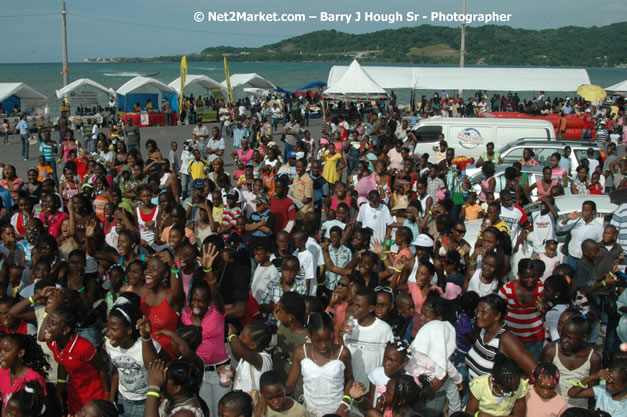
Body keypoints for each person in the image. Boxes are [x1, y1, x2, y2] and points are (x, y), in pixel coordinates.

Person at [42, 306, 109, 415]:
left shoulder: (83, 347)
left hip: (93, 394)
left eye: (53, 323)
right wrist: (60, 390)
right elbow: (62, 361)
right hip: (74, 393)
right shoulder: (52, 342)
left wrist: (107, 396)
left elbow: (102, 369)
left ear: (66, 330)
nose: (47, 327)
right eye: (48, 321)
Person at [286, 312, 353, 417]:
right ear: (308, 334)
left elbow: (350, 379)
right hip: (309, 412)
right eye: (318, 340)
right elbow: (290, 385)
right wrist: (269, 396)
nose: (324, 345)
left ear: (333, 333)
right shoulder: (300, 352)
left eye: (328, 339)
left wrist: (344, 404)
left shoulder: (342, 353)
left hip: (337, 412)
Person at [567, 351, 627, 416]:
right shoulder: (602, 390)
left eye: (613, 384)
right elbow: (572, 393)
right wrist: (592, 377)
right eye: (607, 381)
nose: (608, 386)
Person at [556, 200, 604, 269]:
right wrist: (567, 218)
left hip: (586, 261)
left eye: (587, 211)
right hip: (571, 257)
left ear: (593, 212)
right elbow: (561, 227)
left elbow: (600, 245)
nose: (584, 213)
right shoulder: (577, 221)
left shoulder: (598, 227)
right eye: (583, 210)